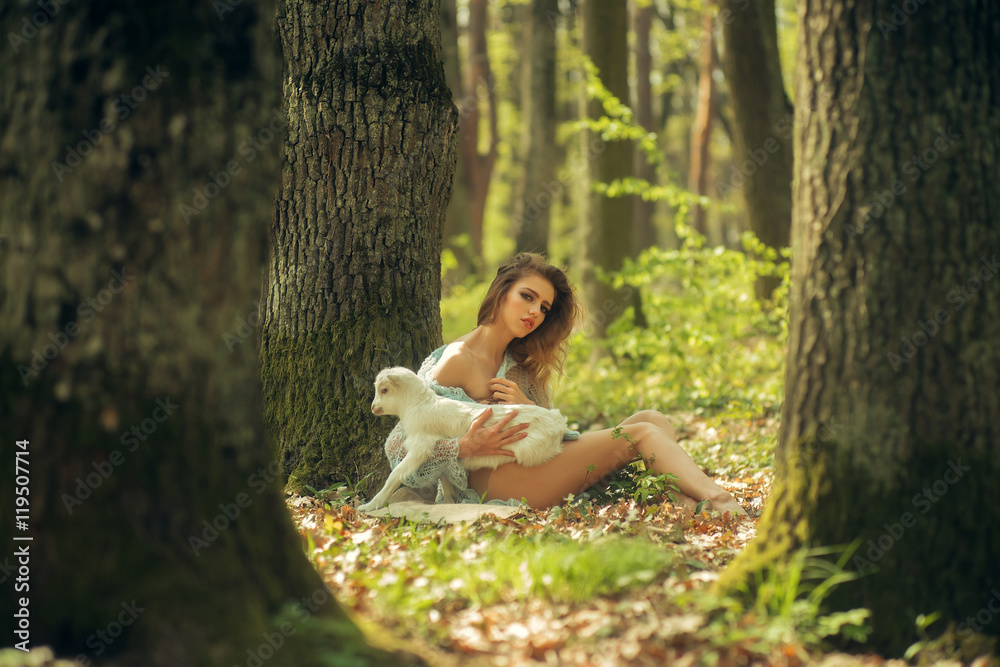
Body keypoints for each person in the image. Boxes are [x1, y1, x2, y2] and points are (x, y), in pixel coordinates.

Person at [380, 252, 747, 516]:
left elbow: (550, 438)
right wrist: (464, 444)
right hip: (494, 485)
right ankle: (721, 501)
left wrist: (529, 406)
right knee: (642, 436)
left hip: (533, 470)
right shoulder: (456, 359)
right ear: (502, 291)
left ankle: (686, 504)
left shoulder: (522, 367)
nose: (534, 313)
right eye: (527, 297)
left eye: (544, 308)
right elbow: (398, 446)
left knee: (653, 420)